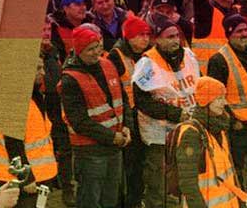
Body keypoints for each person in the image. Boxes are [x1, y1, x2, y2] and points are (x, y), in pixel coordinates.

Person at [59, 26, 130, 208]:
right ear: (79, 50)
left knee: (110, 199)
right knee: (90, 200)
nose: (95, 53)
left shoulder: (107, 65)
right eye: (90, 49)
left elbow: (122, 99)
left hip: (115, 145)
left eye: (97, 47)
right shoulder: (70, 79)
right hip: (90, 151)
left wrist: (127, 126)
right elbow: (79, 122)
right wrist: (112, 137)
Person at [133, 15, 199, 207]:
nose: (175, 40)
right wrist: (175, 113)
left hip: (187, 129)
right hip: (159, 134)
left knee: (187, 179)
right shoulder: (146, 64)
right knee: (159, 182)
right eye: (169, 37)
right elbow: (143, 102)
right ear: (157, 39)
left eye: (176, 35)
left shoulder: (189, 56)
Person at [206, 13, 247, 199]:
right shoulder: (219, 60)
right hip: (237, 127)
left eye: (246, 29)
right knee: (240, 170)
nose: (244, 34)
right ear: (229, 34)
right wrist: (231, 121)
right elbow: (216, 98)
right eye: (239, 31)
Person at [0, 59, 58, 208]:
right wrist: (27, 178)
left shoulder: (32, 94)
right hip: (17, 180)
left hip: (30, 175)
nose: (42, 73)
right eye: (37, 68)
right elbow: (13, 144)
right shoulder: (13, 100)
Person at [175, 77, 247, 208]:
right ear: (206, 101)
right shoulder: (192, 133)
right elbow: (187, 182)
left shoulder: (220, 129)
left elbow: (231, 174)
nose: (224, 102)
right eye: (219, 98)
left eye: (224, 97)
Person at [105, 15, 150, 208]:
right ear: (129, 37)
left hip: (145, 116)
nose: (145, 39)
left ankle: (135, 199)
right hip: (127, 119)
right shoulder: (116, 57)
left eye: (147, 34)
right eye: (141, 35)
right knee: (128, 167)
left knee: (139, 165)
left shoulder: (146, 55)